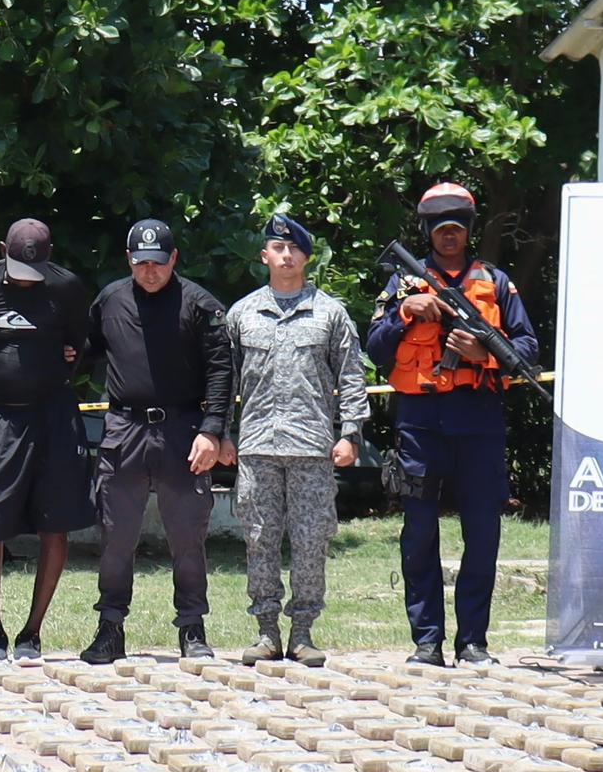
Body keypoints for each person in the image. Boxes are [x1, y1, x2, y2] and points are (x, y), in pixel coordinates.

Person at [367, 179, 537, 667]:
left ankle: (473, 641)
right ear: (427, 231)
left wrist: (485, 353)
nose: (449, 236)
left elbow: (526, 349)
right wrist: (405, 311)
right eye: (440, 229)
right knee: (419, 533)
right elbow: (375, 348)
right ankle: (426, 641)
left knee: (482, 534)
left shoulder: (497, 283)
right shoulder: (404, 282)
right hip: (420, 424)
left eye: (457, 229)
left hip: (480, 422)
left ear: (468, 231)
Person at [84, 219, 236, 665]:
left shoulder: (199, 305)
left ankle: (192, 627)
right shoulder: (110, 299)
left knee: (188, 536)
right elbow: (85, 347)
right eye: (140, 262)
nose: (149, 272)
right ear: (128, 259)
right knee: (116, 535)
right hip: (124, 431)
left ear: (173, 259)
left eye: (157, 263)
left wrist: (213, 430)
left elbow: (222, 371)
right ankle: (110, 627)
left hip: (183, 431)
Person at [225, 212, 366, 665]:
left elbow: (352, 376)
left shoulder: (330, 313)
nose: (286, 256)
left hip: (311, 447)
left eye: (294, 249)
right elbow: (222, 382)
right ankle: (266, 632)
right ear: (264, 255)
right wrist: (221, 434)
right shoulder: (243, 313)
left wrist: (351, 434)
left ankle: (303, 632)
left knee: (310, 540)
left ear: (307, 257)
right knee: (260, 539)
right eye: (277, 248)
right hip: (258, 446)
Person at [0, 219, 92, 658]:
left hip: (54, 416)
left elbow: (77, 347)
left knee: (56, 522)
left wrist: (53, 372)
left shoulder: (67, 288)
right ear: (0, 250)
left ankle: (32, 632)